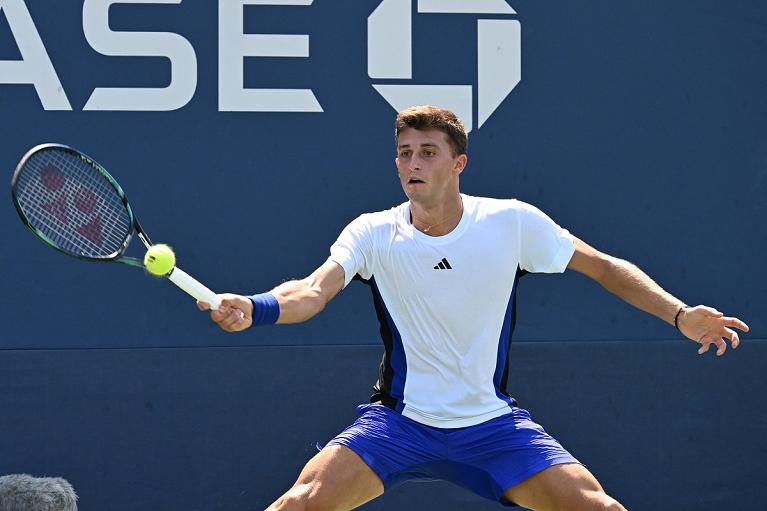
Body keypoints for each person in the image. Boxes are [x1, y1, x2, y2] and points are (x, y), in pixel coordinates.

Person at [199, 105, 749, 511]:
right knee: (298, 504)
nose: (413, 163)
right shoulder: (373, 232)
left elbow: (605, 267)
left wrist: (681, 314)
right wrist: (257, 306)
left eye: (428, 152)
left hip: (492, 427)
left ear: (459, 163)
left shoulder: (510, 223)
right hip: (399, 424)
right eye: (405, 153)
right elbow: (312, 291)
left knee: (599, 508)